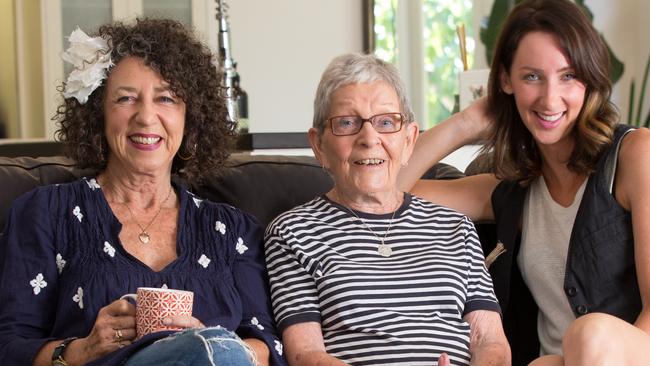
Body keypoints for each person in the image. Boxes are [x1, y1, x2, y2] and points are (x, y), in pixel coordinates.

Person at [0, 18, 286, 366]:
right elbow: (10, 348)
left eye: (165, 98)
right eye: (126, 98)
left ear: (190, 118)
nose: (146, 117)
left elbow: (270, 347)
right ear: (98, 115)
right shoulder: (46, 213)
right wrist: (81, 350)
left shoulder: (233, 231)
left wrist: (209, 345)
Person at [397, 0, 650, 365]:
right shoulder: (511, 191)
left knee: (589, 335)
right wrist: (467, 122)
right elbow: (388, 191)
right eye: (532, 76)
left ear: (589, 79)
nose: (550, 99)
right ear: (506, 80)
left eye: (568, 76)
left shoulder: (635, 155)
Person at [264, 53, 510, 366]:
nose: (369, 139)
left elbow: (491, 343)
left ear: (409, 141)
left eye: (385, 122)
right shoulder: (293, 233)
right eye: (347, 123)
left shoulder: (456, 227)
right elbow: (305, 354)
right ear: (319, 145)